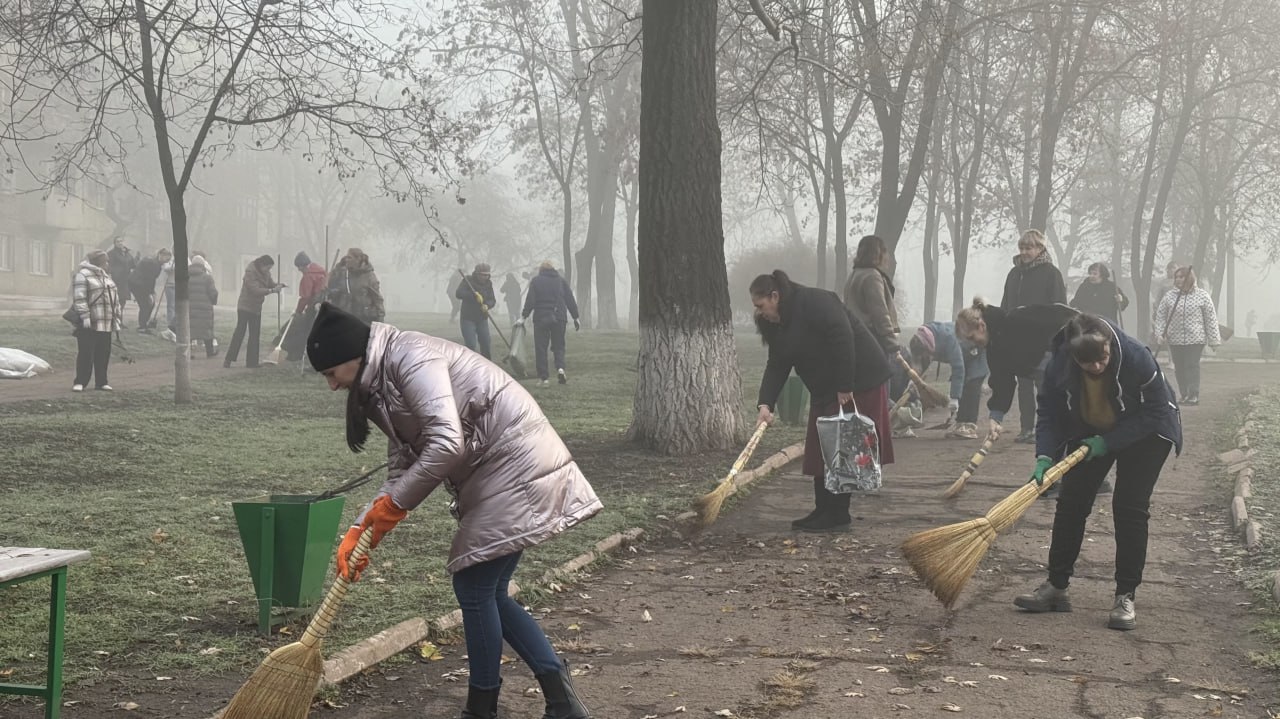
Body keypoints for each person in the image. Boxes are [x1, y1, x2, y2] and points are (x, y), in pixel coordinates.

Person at [306, 301, 602, 719]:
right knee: (489, 591)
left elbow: (447, 443)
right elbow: (400, 469)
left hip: (513, 459)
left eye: (330, 374)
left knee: (474, 587)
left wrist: (393, 506)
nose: (332, 386)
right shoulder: (381, 384)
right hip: (495, 467)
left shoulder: (411, 357)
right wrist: (362, 529)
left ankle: (482, 710)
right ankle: (560, 701)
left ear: (350, 357)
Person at [1013, 313, 1181, 632]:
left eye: (1102, 358)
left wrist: (1110, 442)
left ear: (1108, 345)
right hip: (1090, 427)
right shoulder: (1059, 363)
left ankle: (1125, 596)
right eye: (1087, 362)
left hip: (1147, 432)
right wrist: (1045, 456)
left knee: (1129, 507)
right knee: (1071, 503)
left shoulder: (1135, 355)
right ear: (1073, 355)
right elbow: (1049, 410)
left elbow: (1157, 409)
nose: (1097, 367)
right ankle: (1056, 587)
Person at [751, 270, 894, 533]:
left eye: (761, 306)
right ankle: (822, 509)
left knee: (844, 447)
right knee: (820, 447)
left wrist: (844, 385)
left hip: (857, 380)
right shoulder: (779, 324)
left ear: (775, 296)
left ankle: (838, 514)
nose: (760, 313)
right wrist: (765, 405)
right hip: (826, 386)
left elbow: (843, 337)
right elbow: (777, 365)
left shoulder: (816, 301)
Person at [955, 299, 1080, 496]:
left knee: (1059, 419)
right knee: (1055, 420)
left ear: (981, 325)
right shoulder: (993, 348)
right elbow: (1002, 381)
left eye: (972, 337)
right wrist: (996, 417)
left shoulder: (1018, 318)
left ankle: (1059, 477)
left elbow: (1062, 315)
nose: (973, 343)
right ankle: (1062, 476)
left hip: (1062, 364)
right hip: (1044, 373)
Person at [1000, 229, 1067, 443]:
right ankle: (1026, 428)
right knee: (1024, 387)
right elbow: (1006, 304)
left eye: (1029, 248)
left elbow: (1059, 308)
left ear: (1040, 249)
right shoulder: (1014, 274)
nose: (1024, 252)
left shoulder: (1051, 273)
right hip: (1018, 340)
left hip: (1043, 340)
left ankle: (1046, 428)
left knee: (1044, 388)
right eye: (1022, 248)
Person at [844, 234, 905, 397]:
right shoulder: (872, 276)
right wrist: (893, 345)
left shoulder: (855, 275)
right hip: (874, 342)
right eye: (885, 253)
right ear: (878, 254)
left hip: (858, 340)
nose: (887, 257)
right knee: (881, 393)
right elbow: (880, 313)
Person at [908, 322, 988, 440]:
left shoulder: (949, 339)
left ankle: (969, 426)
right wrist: (914, 380)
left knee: (971, 386)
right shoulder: (924, 339)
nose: (928, 357)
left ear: (927, 348)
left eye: (926, 354)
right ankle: (960, 424)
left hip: (977, 352)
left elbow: (958, 368)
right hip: (964, 354)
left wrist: (954, 397)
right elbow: (921, 363)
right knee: (962, 385)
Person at [1153, 266, 1221, 406]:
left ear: (1189, 278)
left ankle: (1193, 394)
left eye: (1181, 277)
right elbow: (1160, 316)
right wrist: (1159, 334)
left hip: (1196, 338)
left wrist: (1214, 340)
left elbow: (1210, 318)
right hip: (1175, 338)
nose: (1178, 280)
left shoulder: (1202, 296)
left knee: (1192, 365)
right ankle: (1184, 394)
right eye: (1176, 277)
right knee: (1180, 367)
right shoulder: (1170, 296)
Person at [520, 261, 580, 386]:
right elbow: (570, 299)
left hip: (541, 318)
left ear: (541, 270)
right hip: (559, 317)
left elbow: (530, 300)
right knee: (559, 345)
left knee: (541, 348)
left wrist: (524, 316)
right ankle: (560, 368)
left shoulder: (536, 281)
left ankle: (544, 378)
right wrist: (575, 317)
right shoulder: (561, 281)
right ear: (553, 269)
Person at [70, 250, 121, 391]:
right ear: (98, 262)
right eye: (105, 261)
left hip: (106, 322)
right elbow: (79, 297)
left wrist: (116, 318)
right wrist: (85, 316)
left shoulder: (106, 277)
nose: (108, 264)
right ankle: (80, 381)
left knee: (103, 353)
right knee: (86, 353)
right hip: (90, 323)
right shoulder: (83, 275)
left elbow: (115, 299)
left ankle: (101, 381)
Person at [224, 255, 284, 369]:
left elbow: (270, 283)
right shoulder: (250, 272)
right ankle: (228, 359)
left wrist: (278, 285)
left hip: (256, 308)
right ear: (262, 265)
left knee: (255, 335)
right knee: (240, 333)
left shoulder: (265, 273)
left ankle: (252, 362)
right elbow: (255, 290)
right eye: (268, 268)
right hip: (244, 306)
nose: (269, 270)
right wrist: (272, 290)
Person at [281, 251, 330, 363]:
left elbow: (305, 297)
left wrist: (298, 311)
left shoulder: (308, 276)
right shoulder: (322, 272)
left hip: (313, 307)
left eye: (299, 267)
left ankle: (296, 354)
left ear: (303, 265)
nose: (299, 269)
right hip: (324, 306)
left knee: (305, 331)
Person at [327, 248, 385, 324]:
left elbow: (377, 299)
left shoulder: (369, 276)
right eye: (346, 257)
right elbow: (331, 288)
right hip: (344, 318)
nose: (346, 260)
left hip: (363, 320)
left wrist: (380, 319)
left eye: (349, 258)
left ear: (358, 259)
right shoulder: (341, 274)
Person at [456, 263, 497, 359]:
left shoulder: (489, 284)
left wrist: (487, 305)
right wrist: (473, 295)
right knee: (471, 345)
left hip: (482, 318)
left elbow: (492, 300)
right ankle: (470, 366)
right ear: (477, 274)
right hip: (468, 318)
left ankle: (487, 365)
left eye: (487, 275)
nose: (485, 277)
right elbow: (458, 293)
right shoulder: (467, 280)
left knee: (486, 344)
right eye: (482, 275)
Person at [128, 248, 167, 333]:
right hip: (138, 284)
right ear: (160, 255)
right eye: (165, 257)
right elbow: (150, 279)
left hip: (139, 284)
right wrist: (150, 293)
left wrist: (151, 292)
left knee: (148, 305)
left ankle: (143, 325)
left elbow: (151, 279)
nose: (167, 260)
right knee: (145, 305)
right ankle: (142, 327)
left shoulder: (155, 263)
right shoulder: (153, 264)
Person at [187, 257, 219, 358]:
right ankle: (210, 352)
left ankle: (188, 353)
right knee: (207, 329)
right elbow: (213, 292)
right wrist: (213, 302)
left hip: (190, 307)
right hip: (205, 308)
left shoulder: (186, 276)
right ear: (203, 265)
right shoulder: (207, 277)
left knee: (189, 330)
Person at [106, 238, 135, 325]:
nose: (120, 243)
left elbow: (132, 264)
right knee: (114, 301)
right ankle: (113, 320)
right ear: (114, 243)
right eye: (118, 241)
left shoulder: (127, 254)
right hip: (116, 280)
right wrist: (111, 274)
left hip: (125, 280)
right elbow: (109, 266)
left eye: (121, 241)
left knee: (122, 301)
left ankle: (120, 321)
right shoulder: (111, 253)